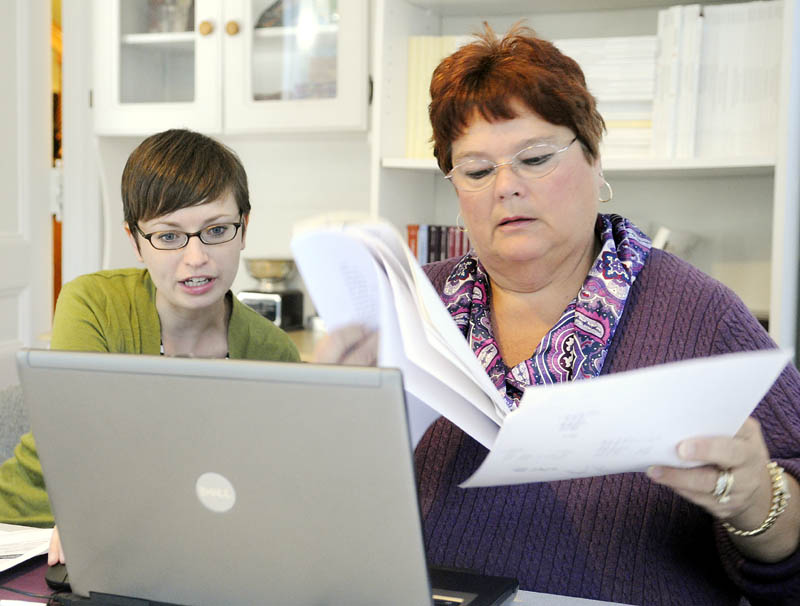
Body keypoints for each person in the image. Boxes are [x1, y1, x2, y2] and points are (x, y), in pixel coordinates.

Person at [323, 24, 800, 604]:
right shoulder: (408, 307)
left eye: (536, 158)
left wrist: (755, 501)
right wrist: (332, 425)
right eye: (476, 170)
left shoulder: (701, 315)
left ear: (595, 159)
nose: (507, 187)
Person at [0, 129, 300, 563]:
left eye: (216, 230)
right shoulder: (93, 304)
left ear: (244, 229)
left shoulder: (275, 354)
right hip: (26, 533)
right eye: (169, 236)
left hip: (167, 546)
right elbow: (83, 451)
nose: (196, 258)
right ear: (135, 241)